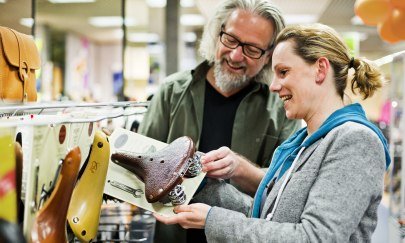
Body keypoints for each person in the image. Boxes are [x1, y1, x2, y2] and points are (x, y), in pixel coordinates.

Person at [154, 23, 391, 242]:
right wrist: (200, 183)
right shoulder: (304, 143)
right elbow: (268, 218)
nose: (274, 86)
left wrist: (213, 220)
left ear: (320, 69)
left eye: (284, 72)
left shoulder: (355, 141)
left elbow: (314, 238)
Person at [138, 0, 300, 242]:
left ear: (268, 56)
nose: (236, 55)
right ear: (217, 33)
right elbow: (140, 161)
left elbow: (285, 194)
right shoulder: (172, 92)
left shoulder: (280, 108)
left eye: (252, 49)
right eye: (231, 40)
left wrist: (241, 169)